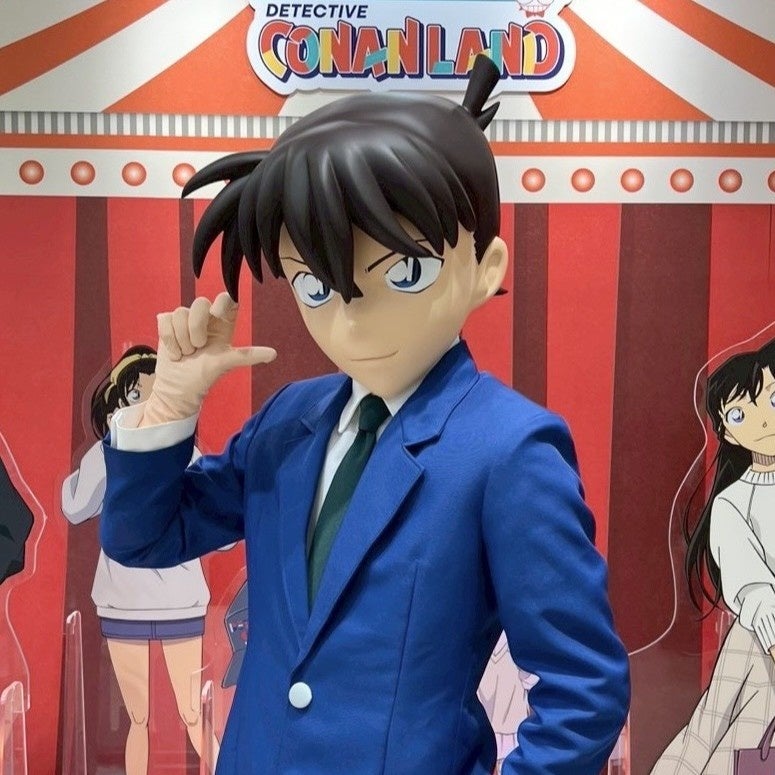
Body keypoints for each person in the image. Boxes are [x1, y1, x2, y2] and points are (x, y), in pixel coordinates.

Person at [101, 56, 629, 774]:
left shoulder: (508, 449)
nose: (352, 319)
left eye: (403, 273)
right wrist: (166, 410)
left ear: (486, 267)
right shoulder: (290, 420)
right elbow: (145, 539)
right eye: (316, 286)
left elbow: (583, 688)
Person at [62, 345, 220, 775]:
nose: (145, 406)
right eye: (136, 395)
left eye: (155, 395)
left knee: (189, 713)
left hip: (165, 599)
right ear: (117, 399)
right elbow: (75, 507)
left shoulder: (179, 454)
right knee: (146, 717)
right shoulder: (112, 453)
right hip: (131, 599)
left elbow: (73, 504)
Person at [652, 337, 775, 773]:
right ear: (726, 431)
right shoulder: (731, 502)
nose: (763, 421)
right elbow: (753, 588)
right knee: (720, 744)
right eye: (741, 414)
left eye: (773, 400)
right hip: (760, 643)